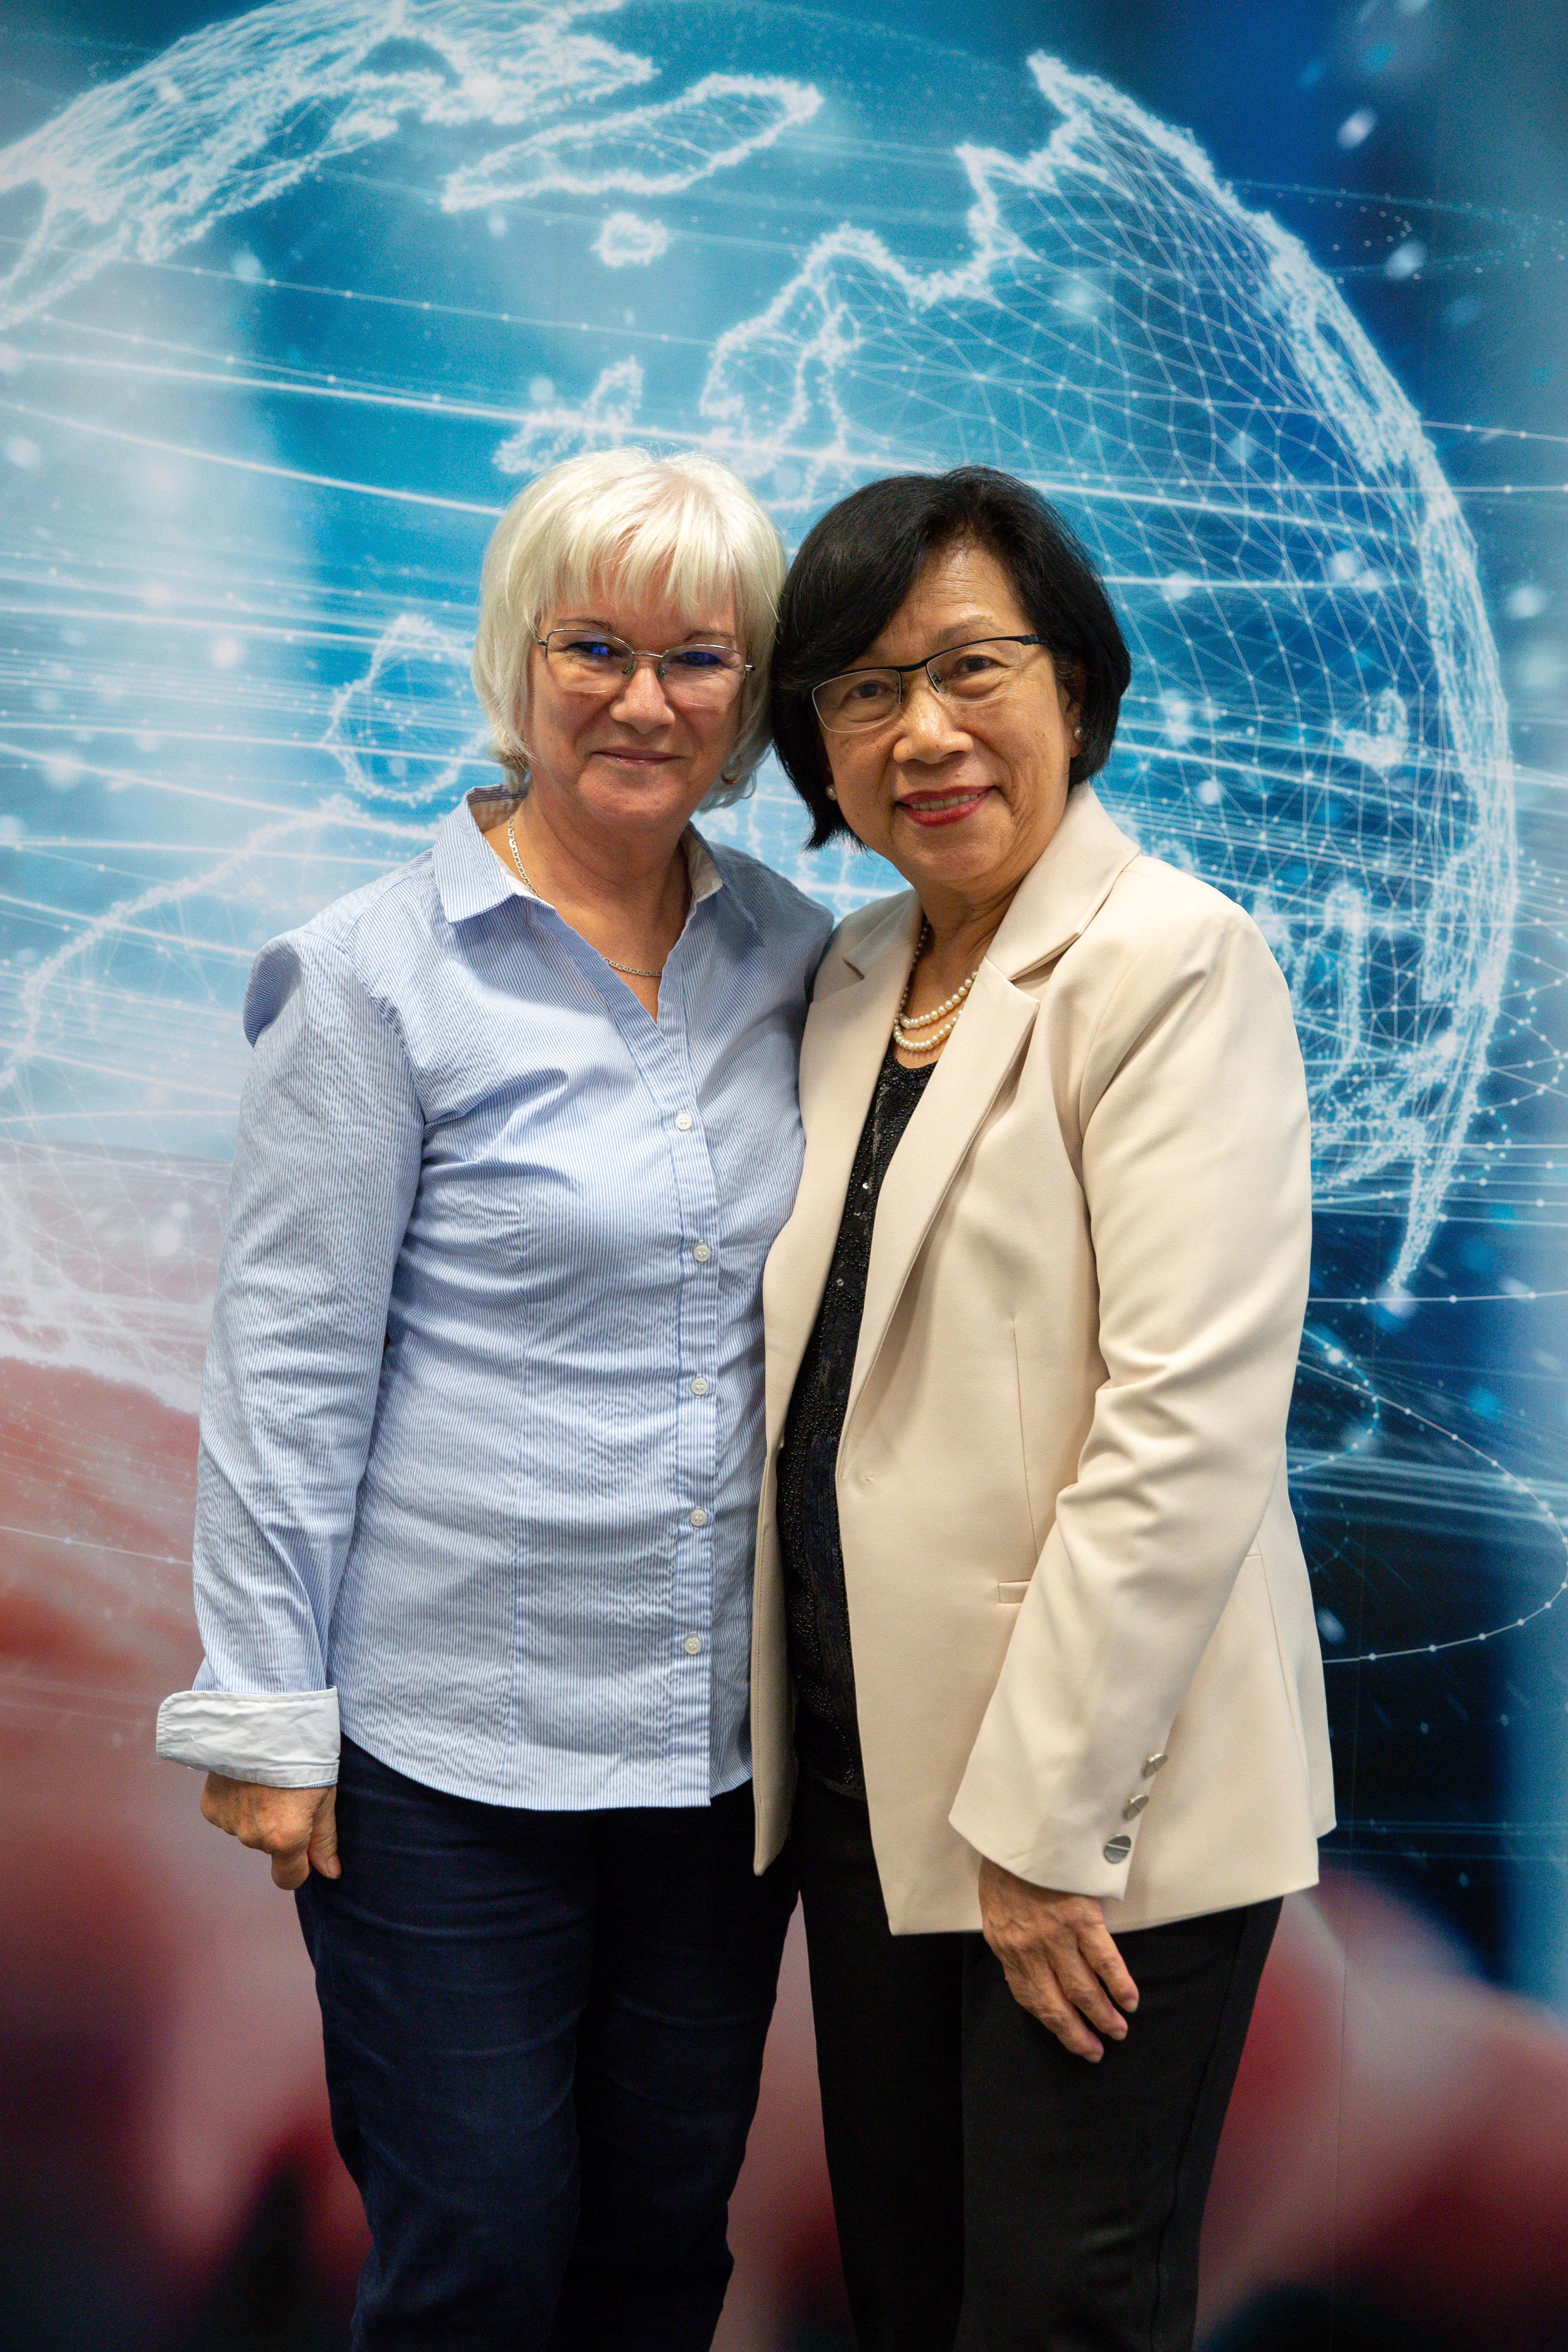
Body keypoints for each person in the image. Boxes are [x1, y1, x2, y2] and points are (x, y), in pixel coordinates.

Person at [155, 447, 832, 2351]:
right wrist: (266, 1709)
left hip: (719, 1758)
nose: (643, 700)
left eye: (697, 658)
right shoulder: (372, 979)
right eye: (593, 647)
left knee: (661, 2252)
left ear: (750, 693)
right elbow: (287, 1364)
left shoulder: (801, 958)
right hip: (445, 1763)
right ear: (517, 659)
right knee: (477, 2258)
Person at [754, 465, 1335, 2352]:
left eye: (968, 668)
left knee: (1055, 2310)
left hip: (1092, 1807)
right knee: (910, 2295)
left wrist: (1043, 1828)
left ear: (1073, 686)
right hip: (874, 1786)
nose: (920, 733)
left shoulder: (1171, 961)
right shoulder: (854, 975)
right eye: (863, 690)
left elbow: (1185, 1432)